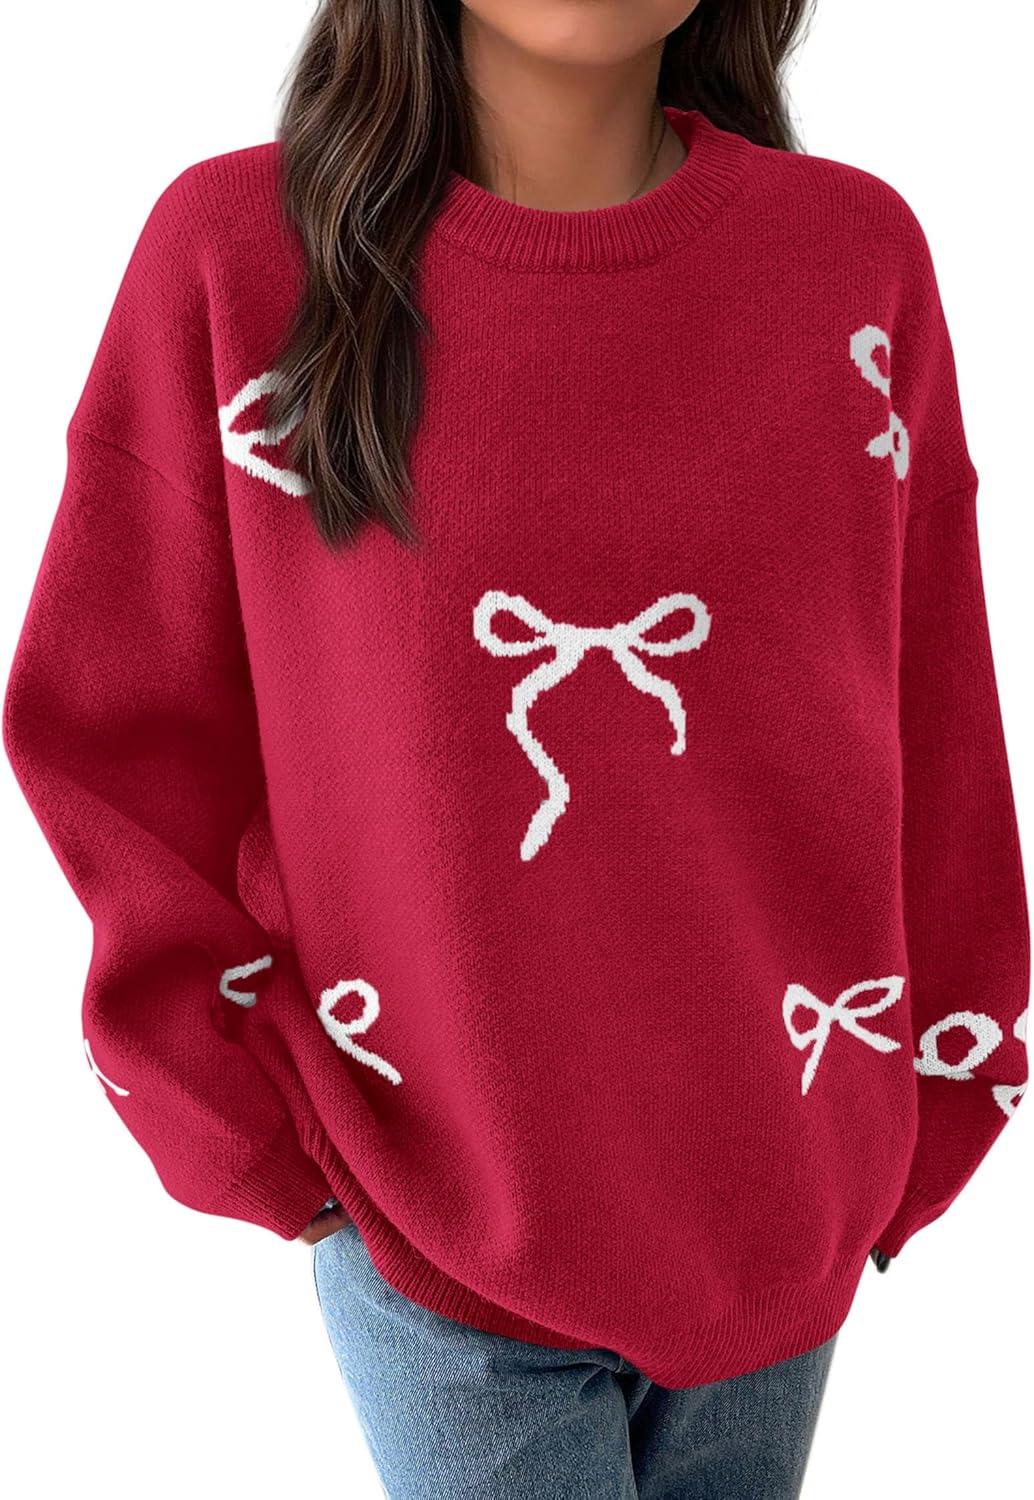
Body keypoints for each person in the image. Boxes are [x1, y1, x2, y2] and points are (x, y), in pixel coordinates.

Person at [4, 2, 1029, 1495]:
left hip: (784, 1194)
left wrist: (932, 1101)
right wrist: (241, 1127)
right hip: (428, 1205)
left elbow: (931, 705)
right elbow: (117, 725)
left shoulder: (848, 259)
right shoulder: (237, 257)